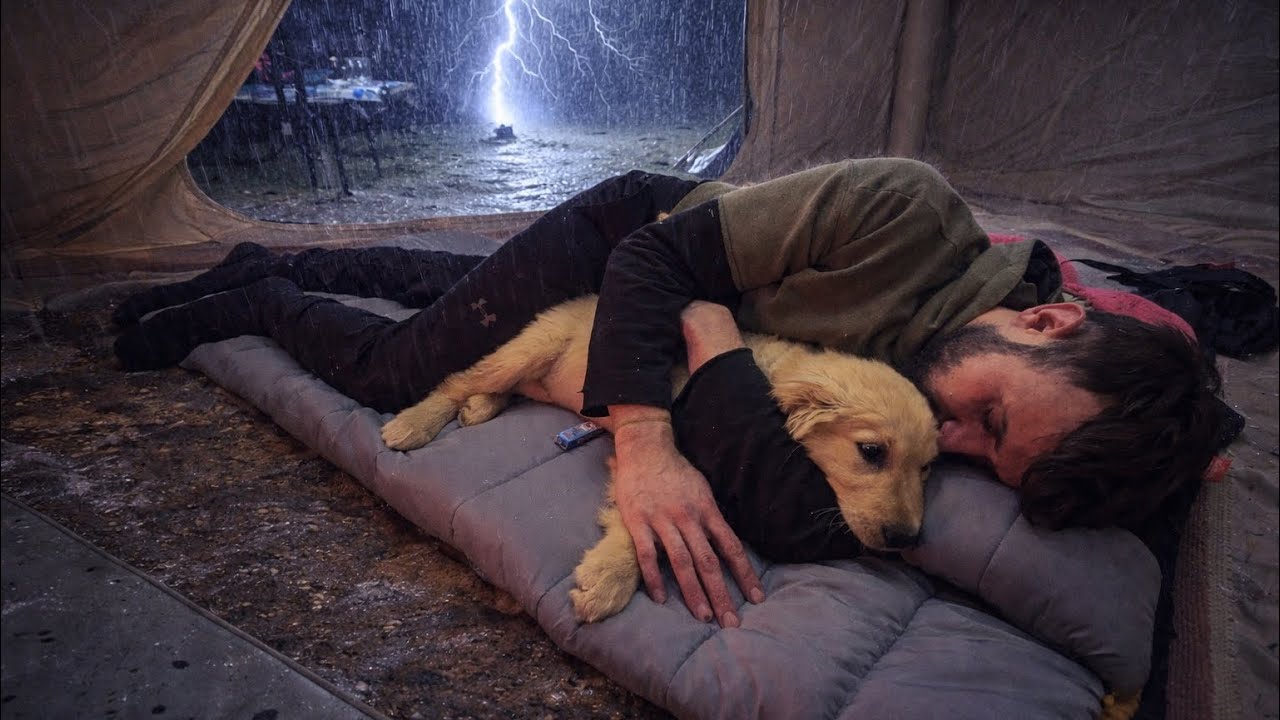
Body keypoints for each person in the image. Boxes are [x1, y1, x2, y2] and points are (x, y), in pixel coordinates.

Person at [112, 159, 1223, 631]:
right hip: (636, 238)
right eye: (987, 415)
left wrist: (1191, 451)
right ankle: (250, 294)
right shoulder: (904, 211)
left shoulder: (1048, 379)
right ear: (1044, 319)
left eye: (984, 459)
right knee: (400, 369)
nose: (952, 439)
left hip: (682, 306)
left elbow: (792, 507)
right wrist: (643, 442)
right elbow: (653, 268)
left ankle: (292, 265)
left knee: (464, 293)